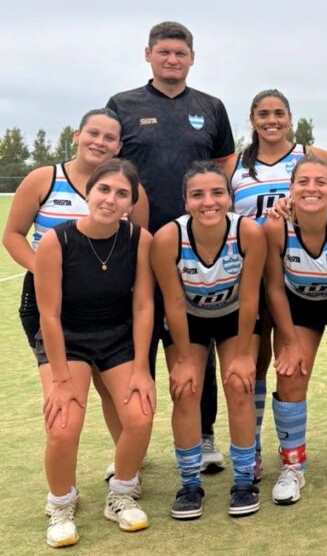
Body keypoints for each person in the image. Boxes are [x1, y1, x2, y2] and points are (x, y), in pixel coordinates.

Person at [108, 21, 236, 474]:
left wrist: (212, 211)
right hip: (138, 246)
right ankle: (132, 446)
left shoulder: (210, 107)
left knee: (198, 340)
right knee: (137, 344)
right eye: (163, 52)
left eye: (180, 53)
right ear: (148, 55)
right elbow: (110, 170)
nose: (172, 60)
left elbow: (226, 163)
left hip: (197, 248)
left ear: (192, 59)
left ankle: (204, 436)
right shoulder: (123, 105)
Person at [3, 109, 151, 484]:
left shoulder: (132, 190)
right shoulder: (44, 179)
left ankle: (127, 466)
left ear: (119, 145)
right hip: (53, 304)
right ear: (77, 135)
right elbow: (13, 235)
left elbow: (133, 249)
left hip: (109, 304)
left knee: (115, 392)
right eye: (93, 133)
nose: (100, 142)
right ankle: (62, 495)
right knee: (67, 398)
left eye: (109, 137)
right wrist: (48, 272)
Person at [32, 159, 155, 547]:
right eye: (104, 189)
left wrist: (141, 367)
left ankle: (121, 493)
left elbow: (143, 306)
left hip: (117, 336)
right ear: (88, 192)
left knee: (140, 417)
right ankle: (61, 503)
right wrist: (61, 379)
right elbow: (49, 315)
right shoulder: (57, 241)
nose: (110, 199)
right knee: (63, 425)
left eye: (122, 194)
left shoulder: (139, 239)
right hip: (68, 339)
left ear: (131, 203)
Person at [224, 88, 327, 484]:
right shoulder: (236, 164)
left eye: (278, 113)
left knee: (287, 360)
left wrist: (314, 202)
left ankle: (289, 450)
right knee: (255, 360)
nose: (271, 120)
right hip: (249, 273)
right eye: (263, 114)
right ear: (252, 119)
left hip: (294, 270)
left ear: (290, 118)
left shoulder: (307, 155)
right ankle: (254, 446)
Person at [151, 162, 266, 519]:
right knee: (186, 390)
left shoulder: (248, 232)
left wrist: (244, 354)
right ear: (186, 201)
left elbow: (250, 298)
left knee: (240, 384)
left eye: (217, 193)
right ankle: (189, 485)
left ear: (229, 197)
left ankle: (244, 480)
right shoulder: (168, 238)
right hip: (188, 318)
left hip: (235, 315)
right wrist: (184, 360)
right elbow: (172, 303)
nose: (208, 202)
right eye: (197, 195)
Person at [262, 155, 327, 504]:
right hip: (299, 304)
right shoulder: (276, 227)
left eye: (320, 182)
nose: (312, 188)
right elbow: (274, 288)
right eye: (303, 182)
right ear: (290, 188)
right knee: (291, 373)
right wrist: (290, 341)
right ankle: (293, 466)